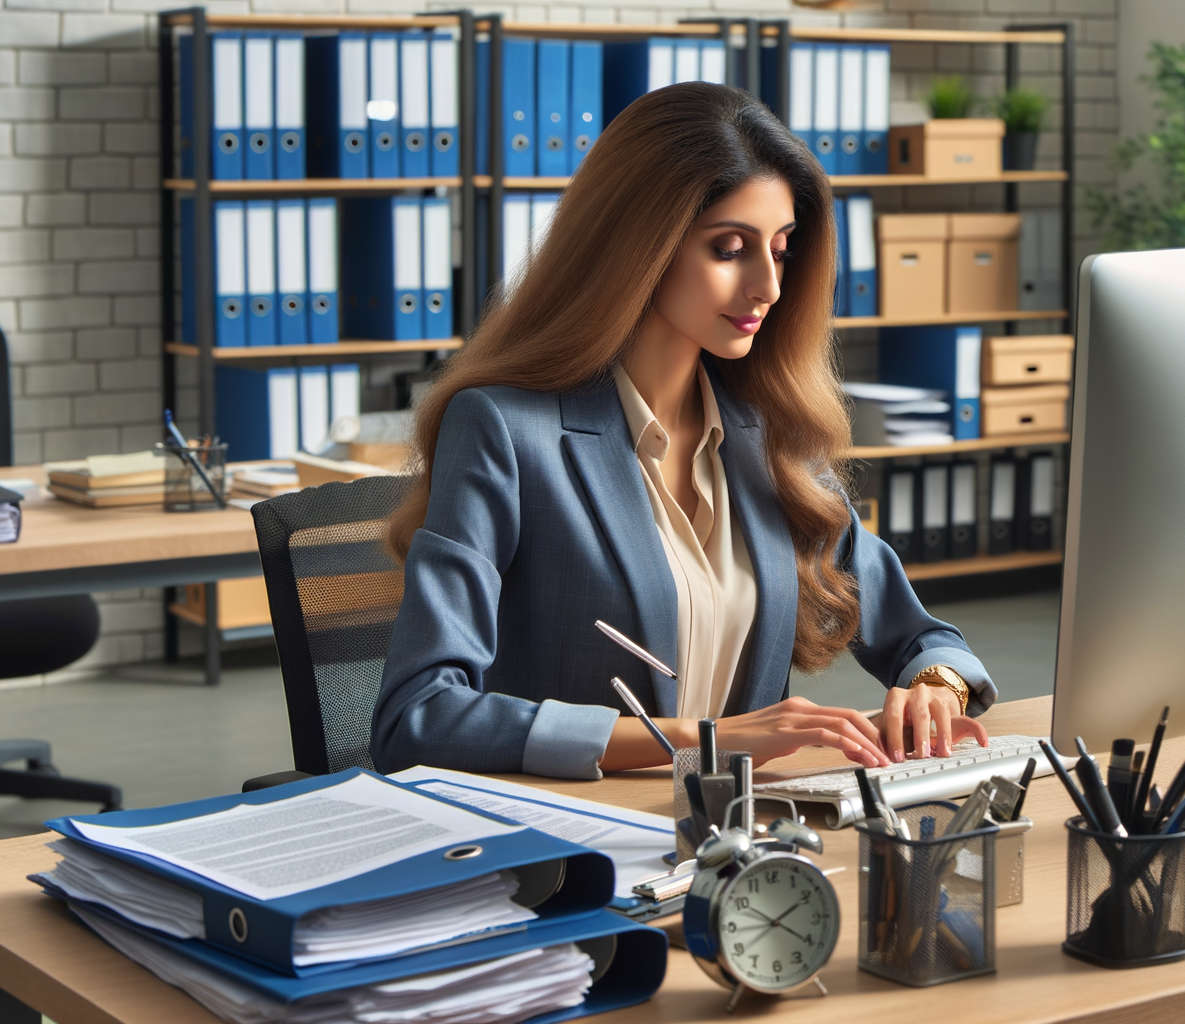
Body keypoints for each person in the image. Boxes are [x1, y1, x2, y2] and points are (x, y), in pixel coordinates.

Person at [372, 83, 997, 781]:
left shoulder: (768, 434)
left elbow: (924, 638)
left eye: (781, 251)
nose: (768, 286)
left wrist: (937, 687)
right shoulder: (505, 431)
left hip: (745, 830)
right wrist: (703, 740)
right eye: (729, 249)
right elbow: (417, 717)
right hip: (581, 830)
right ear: (639, 246)